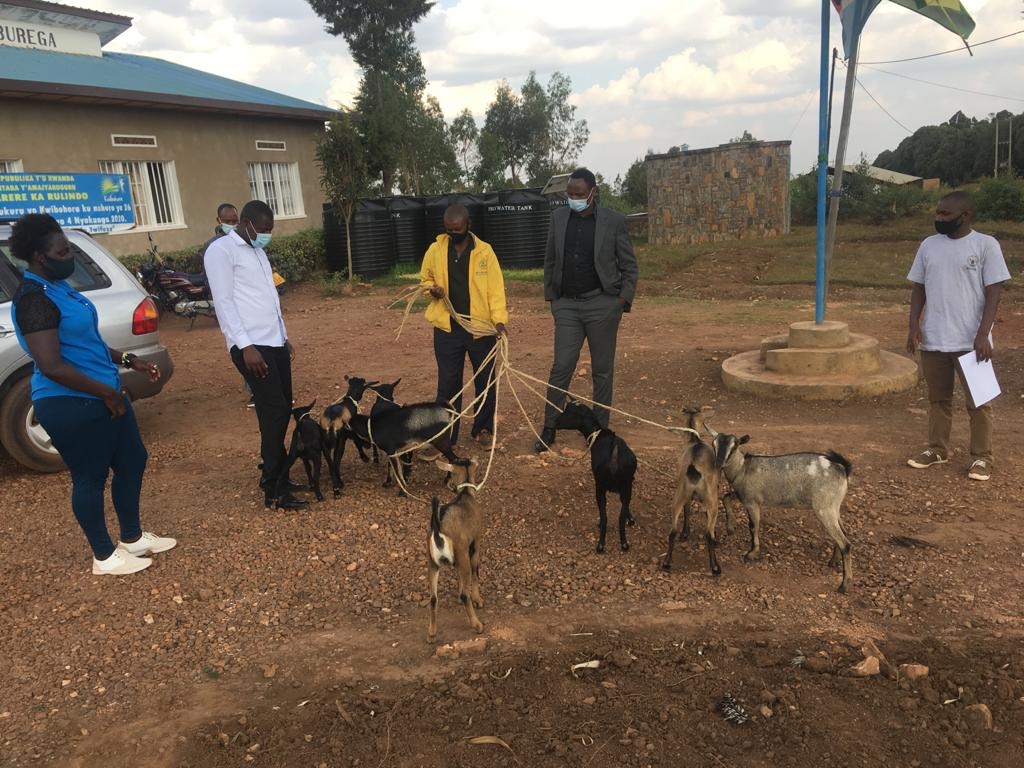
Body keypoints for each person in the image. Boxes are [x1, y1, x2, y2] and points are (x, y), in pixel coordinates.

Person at [9, 213, 175, 576]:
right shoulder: (33, 300)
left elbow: (90, 343)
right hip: (70, 401)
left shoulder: (61, 290)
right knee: (90, 477)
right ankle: (104, 555)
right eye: (62, 250)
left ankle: (132, 538)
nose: (69, 255)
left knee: (133, 460)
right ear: (40, 255)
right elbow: (51, 364)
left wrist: (132, 361)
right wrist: (107, 394)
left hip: (103, 392)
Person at [204, 200, 307, 509]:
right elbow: (224, 302)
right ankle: (275, 489)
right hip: (251, 347)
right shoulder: (221, 251)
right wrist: (245, 345)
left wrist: (283, 335)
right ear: (245, 223)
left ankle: (274, 473)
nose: (266, 235)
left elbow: (268, 298)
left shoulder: (258, 251)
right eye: (262, 229)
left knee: (279, 408)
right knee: (275, 410)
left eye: (270, 230)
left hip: (273, 341)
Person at [905, 190, 1010, 482]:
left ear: (964, 216)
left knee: (979, 401)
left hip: (971, 341)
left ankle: (981, 458)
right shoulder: (929, 246)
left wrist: (983, 334)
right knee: (938, 400)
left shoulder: (986, 245)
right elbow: (919, 288)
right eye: (938, 213)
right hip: (934, 338)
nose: (939, 219)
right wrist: (914, 325)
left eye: (945, 214)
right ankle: (937, 449)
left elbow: (994, 292)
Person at [534, 167, 638, 452]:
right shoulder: (558, 218)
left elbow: (629, 265)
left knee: (602, 370)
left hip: (601, 305)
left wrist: (620, 301)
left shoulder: (613, 221)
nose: (573, 198)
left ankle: (600, 431)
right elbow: (550, 260)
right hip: (567, 305)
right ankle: (549, 426)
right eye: (569, 194)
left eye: (578, 194)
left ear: (592, 192)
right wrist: (553, 301)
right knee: (561, 367)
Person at [419, 204, 508, 445]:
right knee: (448, 384)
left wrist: (499, 321)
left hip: (480, 330)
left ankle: (483, 428)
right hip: (447, 329)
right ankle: (444, 437)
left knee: (485, 381)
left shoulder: (485, 253)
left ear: (468, 225)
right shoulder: (435, 250)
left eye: (457, 229)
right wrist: (432, 291)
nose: (453, 234)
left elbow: (495, 291)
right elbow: (425, 279)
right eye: (449, 230)